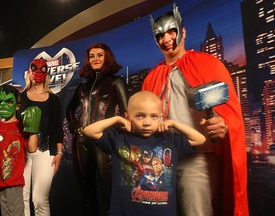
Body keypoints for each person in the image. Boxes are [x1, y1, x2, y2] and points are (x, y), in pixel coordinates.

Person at [142, 4, 249, 216]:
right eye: (160, 35)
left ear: (183, 32)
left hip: (198, 156)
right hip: (161, 161)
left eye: (171, 31)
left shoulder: (206, 63)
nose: (166, 39)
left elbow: (229, 113)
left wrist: (224, 124)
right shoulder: (151, 77)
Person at [83, 90, 206, 216]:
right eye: (140, 116)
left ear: (161, 117)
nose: (147, 123)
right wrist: (117, 119)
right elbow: (89, 131)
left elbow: (200, 139)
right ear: (128, 116)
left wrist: (174, 123)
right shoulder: (119, 139)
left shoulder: (169, 140)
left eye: (154, 116)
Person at [66, 42, 129, 216]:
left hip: (104, 139)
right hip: (81, 140)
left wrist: (120, 137)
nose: (95, 59)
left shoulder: (116, 81)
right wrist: (73, 125)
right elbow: (70, 109)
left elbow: (126, 113)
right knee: (86, 191)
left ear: (107, 57)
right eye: (92, 56)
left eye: (99, 55)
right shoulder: (82, 86)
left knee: (107, 188)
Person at [17, 59, 64, 216]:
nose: (37, 72)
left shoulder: (53, 99)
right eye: (34, 68)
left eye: (41, 69)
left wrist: (59, 153)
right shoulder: (20, 98)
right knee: (21, 197)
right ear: (29, 72)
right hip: (21, 152)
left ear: (47, 73)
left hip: (44, 152)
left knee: (39, 199)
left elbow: (57, 128)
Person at [0, 84, 41, 216]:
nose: (3, 105)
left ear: (17, 105)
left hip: (11, 185)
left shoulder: (21, 126)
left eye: (9, 101)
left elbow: (32, 149)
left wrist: (33, 130)